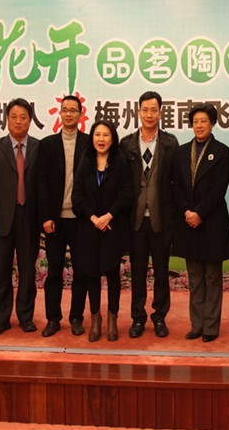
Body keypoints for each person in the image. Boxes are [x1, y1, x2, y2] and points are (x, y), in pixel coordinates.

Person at [172, 104, 229, 343]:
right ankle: (196, 325)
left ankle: (210, 326)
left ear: (212, 124)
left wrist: (199, 213)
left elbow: (219, 188)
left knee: (212, 278)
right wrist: (187, 211)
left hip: (211, 223)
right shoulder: (181, 152)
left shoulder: (221, 150)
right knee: (195, 278)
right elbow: (176, 186)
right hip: (188, 222)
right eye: (195, 121)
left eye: (204, 121)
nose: (199, 126)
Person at [119, 91, 178, 339]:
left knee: (162, 272)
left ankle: (160, 316)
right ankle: (138, 317)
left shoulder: (169, 143)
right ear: (138, 112)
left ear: (160, 113)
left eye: (154, 110)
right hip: (135, 221)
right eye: (145, 110)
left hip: (161, 219)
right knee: (138, 271)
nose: (149, 114)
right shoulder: (127, 144)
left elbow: (176, 183)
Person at [0, 98, 40, 336]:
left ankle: (26, 316)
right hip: (2, 217)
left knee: (27, 270)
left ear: (30, 121)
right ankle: (1, 318)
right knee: (1, 270)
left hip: (29, 217)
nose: (18, 122)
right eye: (13, 117)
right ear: (6, 119)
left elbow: (43, 186)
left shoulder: (38, 147)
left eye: (23, 117)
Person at [72, 120, 133, 342]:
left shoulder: (120, 161)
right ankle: (95, 319)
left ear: (113, 138)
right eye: (97, 134)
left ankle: (112, 319)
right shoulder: (85, 160)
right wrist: (94, 218)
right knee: (92, 275)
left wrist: (108, 216)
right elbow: (77, 196)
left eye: (106, 135)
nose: (101, 139)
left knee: (112, 274)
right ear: (92, 138)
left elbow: (126, 193)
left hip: (112, 227)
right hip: (90, 228)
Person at [37, 95, 91, 337]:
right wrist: (46, 216)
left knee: (81, 272)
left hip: (81, 220)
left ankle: (76, 317)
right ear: (60, 113)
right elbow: (41, 184)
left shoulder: (89, 144)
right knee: (54, 272)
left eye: (73, 110)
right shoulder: (47, 145)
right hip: (55, 221)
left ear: (81, 114)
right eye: (65, 110)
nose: (68, 114)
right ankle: (53, 318)